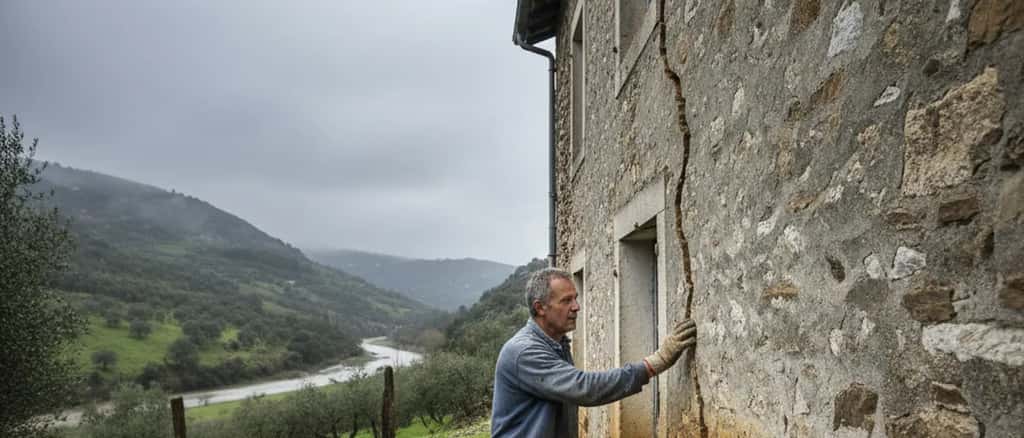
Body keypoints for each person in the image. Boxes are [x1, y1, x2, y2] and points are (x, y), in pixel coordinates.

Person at [491, 267, 697, 437]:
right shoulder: (524, 352)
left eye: (575, 298)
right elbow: (585, 388)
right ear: (540, 308)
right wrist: (655, 362)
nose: (576, 307)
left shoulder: (556, 343)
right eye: (566, 301)